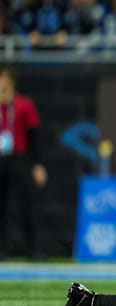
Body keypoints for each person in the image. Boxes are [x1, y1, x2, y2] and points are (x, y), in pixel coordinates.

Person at [0, 66, 47, 259]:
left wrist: (37, 164)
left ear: (11, 81)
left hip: (19, 157)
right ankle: (2, 248)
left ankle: (33, 248)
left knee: (26, 204)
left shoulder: (23, 104)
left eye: (4, 79)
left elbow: (33, 136)